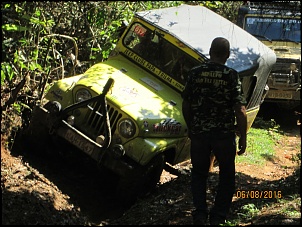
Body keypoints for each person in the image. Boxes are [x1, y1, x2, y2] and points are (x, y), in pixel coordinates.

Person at [181, 37, 247, 225]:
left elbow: (186, 103)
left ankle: (200, 214)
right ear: (227, 55)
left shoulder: (195, 73)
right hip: (224, 136)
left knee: (199, 174)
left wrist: (191, 126)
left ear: (210, 51)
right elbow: (240, 110)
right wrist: (243, 136)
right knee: (227, 176)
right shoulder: (231, 75)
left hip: (200, 135)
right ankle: (218, 217)